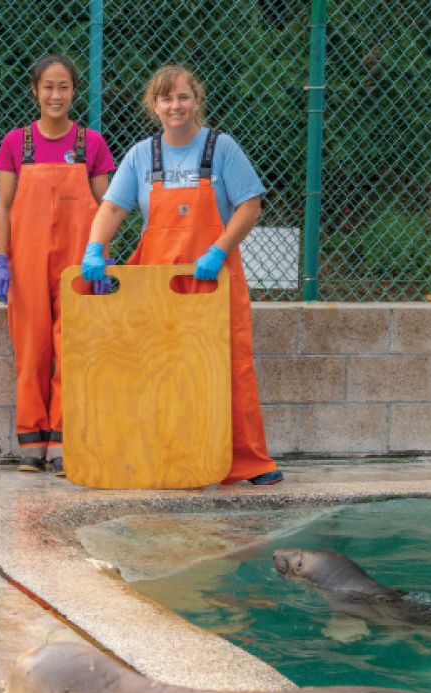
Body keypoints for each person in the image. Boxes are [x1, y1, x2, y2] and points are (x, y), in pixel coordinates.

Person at [81, 65, 282, 486]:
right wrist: (95, 248)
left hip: (213, 277)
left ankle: (248, 461)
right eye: (166, 98)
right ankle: (167, 453)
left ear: (197, 101)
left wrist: (218, 250)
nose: (176, 106)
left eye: (183, 97)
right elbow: (114, 207)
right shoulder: (141, 155)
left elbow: (250, 206)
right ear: (153, 105)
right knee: (159, 368)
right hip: (159, 284)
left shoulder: (221, 148)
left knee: (229, 366)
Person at [0, 54, 114, 477]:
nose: (56, 95)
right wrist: (0, 259)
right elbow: (4, 207)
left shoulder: (90, 144)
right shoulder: (15, 144)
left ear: (74, 92)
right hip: (25, 265)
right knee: (32, 353)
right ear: (35, 91)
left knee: (73, 351)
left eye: (64, 87)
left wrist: (102, 254)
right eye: (48, 87)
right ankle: (32, 442)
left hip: (78, 265)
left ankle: (64, 440)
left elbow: (107, 206)